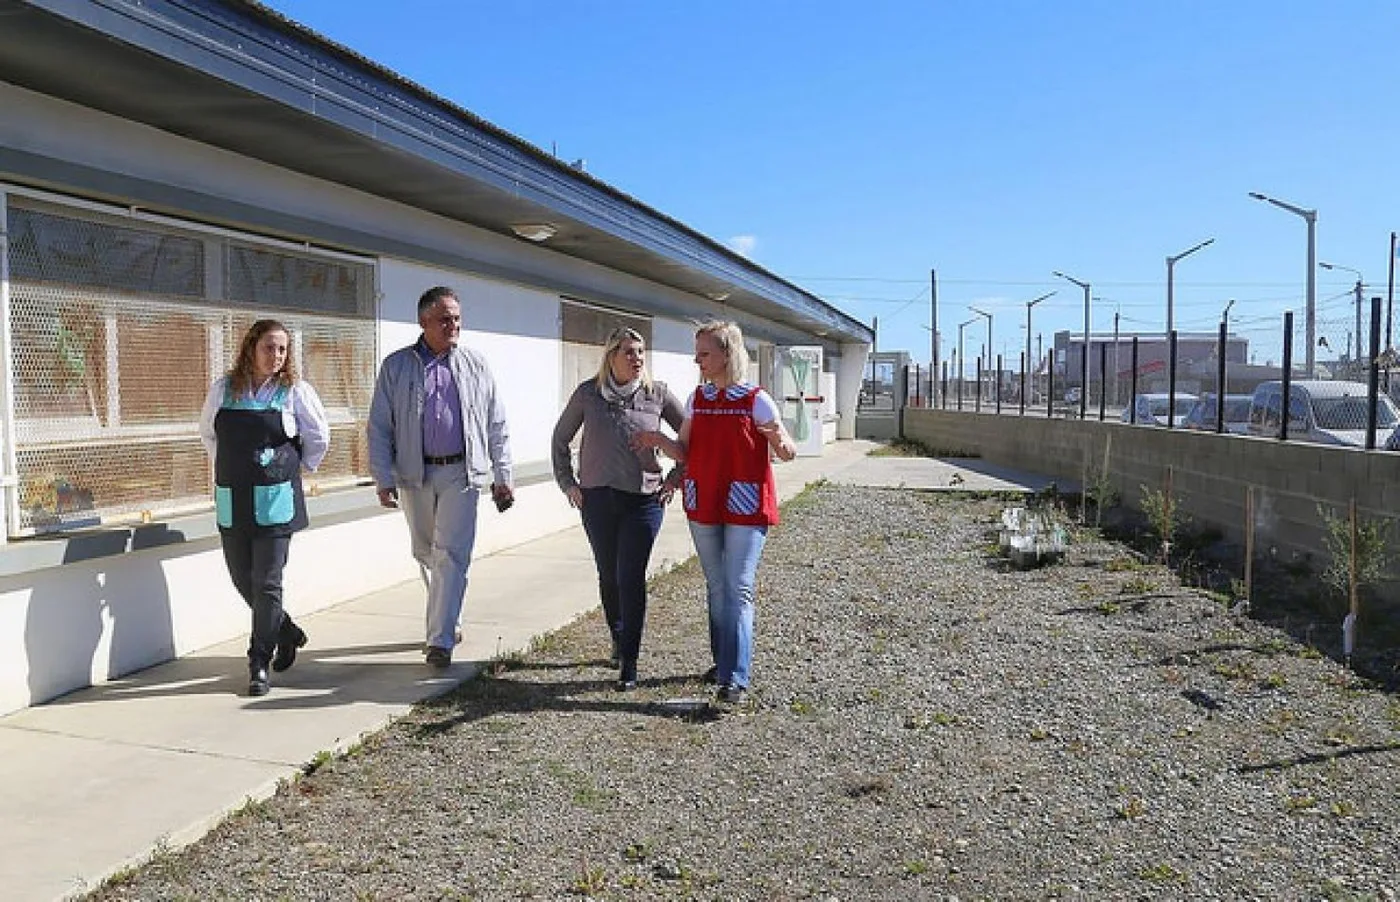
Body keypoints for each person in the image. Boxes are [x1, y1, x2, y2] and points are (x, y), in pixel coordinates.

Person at [637, 320, 796, 704]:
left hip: (745, 504)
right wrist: (659, 441)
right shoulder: (698, 399)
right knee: (716, 586)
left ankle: (735, 678)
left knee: (738, 587)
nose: (697, 360)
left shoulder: (757, 399)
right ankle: (723, 662)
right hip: (704, 499)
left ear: (728, 354)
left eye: (704, 353)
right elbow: (687, 451)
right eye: (697, 352)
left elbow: (788, 452)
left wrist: (776, 436)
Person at [367, 286, 514, 669]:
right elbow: (380, 426)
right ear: (424, 322)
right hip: (414, 473)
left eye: (457, 319)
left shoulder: (475, 365)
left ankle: (440, 640)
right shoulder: (396, 366)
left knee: (450, 553)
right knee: (425, 552)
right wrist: (383, 477)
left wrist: (503, 474)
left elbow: (496, 422)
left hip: (461, 472)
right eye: (445, 318)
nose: (453, 325)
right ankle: (449, 616)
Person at [199, 319, 330, 697]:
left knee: (267, 581)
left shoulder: (295, 392)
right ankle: (285, 630)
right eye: (269, 347)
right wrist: (229, 464)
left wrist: (294, 468)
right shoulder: (224, 389)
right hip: (234, 499)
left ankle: (259, 662)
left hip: (276, 502)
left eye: (283, 349)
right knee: (243, 579)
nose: (276, 356)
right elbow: (208, 433)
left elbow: (318, 437)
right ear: (251, 348)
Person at [551, 327, 685, 690]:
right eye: (628, 351)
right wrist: (568, 483)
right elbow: (560, 439)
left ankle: (630, 660)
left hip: (643, 501)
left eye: (640, 351)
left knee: (631, 576)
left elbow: (691, 439)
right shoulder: (588, 395)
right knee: (608, 574)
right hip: (596, 501)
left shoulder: (658, 394)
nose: (637, 358)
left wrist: (675, 479)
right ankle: (617, 633)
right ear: (611, 356)